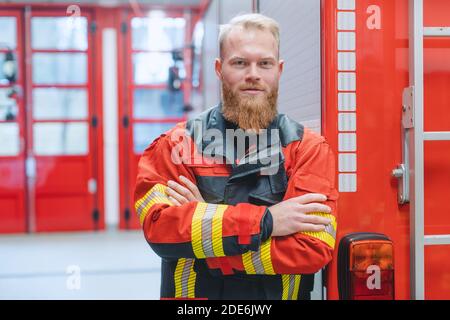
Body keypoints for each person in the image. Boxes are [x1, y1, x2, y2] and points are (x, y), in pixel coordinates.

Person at [134, 13, 338, 300]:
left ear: (278, 70)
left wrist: (207, 237)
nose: (253, 73)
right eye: (240, 62)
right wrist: (268, 221)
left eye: (264, 63)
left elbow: (311, 249)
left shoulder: (309, 149)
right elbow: (161, 231)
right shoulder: (175, 145)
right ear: (219, 69)